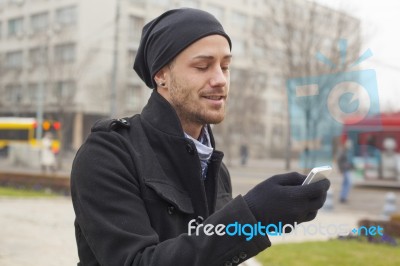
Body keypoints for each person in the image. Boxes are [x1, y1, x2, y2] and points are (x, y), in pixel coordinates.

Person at [71, 8, 330, 266]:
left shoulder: (218, 171)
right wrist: (252, 216)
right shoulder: (107, 154)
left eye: (225, 66)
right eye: (202, 66)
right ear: (161, 75)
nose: (220, 79)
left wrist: (262, 222)